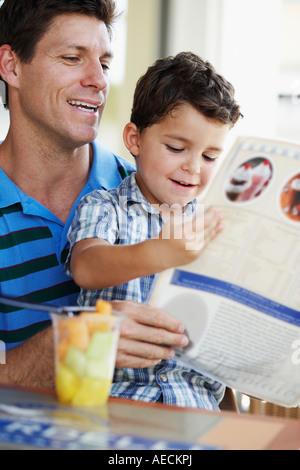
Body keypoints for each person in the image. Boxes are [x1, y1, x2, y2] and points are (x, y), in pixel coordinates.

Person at [0, 0, 205, 389]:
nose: (98, 80)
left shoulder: (161, 192)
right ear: (11, 65)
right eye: (72, 57)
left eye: (105, 63)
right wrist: (77, 343)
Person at [66, 52, 242, 409]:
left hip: (196, 413)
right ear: (135, 140)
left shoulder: (214, 224)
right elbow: (87, 266)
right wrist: (160, 251)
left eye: (210, 157)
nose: (193, 168)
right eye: (176, 148)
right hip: (115, 406)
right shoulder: (105, 206)